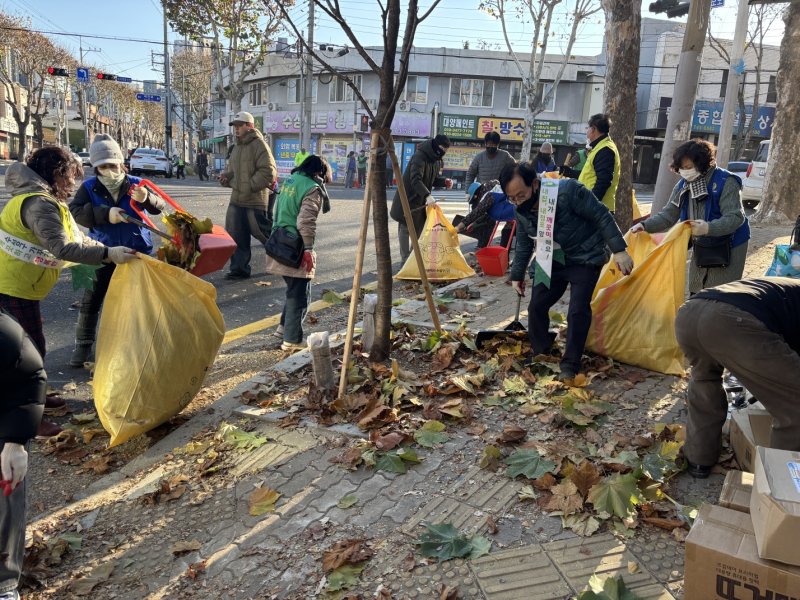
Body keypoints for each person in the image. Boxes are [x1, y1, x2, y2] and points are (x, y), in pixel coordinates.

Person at [0, 147, 137, 437]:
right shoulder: (39, 204)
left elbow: (77, 237)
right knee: (25, 355)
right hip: (11, 287)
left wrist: (102, 249)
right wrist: (108, 253)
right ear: (55, 174)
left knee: (31, 348)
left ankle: (36, 398)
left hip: (22, 286)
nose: (73, 184)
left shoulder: (43, 200)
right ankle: (25, 417)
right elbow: (62, 247)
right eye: (70, 177)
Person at [504, 161, 633, 381]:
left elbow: (601, 215)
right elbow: (525, 243)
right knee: (536, 306)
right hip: (551, 259)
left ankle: (570, 363)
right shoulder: (521, 210)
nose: (517, 202)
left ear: (535, 184)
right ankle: (542, 353)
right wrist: (517, 275)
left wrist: (619, 250)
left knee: (577, 310)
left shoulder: (568, 191)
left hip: (584, 257)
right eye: (512, 198)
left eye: (521, 195)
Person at [675, 278, 800, 478]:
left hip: (689, 314)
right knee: (794, 405)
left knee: (705, 380)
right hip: (732, 322)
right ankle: (781, 492)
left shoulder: (787, 289)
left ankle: (699, 460)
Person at [68, 134, 168, 367]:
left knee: (137, 300)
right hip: (102, 252)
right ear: (96, 167)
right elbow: (75, 211)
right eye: (103, 167)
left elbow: (159, 207)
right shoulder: (89, 187)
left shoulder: (135, 183)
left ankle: (133, 344)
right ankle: (83, 346)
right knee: (92, 299)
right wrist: (105, 214)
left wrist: (147, 199)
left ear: (121, 163)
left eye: (113, 165)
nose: (109, 171)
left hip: (136, 253)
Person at [631, 139, 749, 294]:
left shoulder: (726, 181)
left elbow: (735, 217)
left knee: (720, 293)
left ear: (703, 164)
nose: (685, 171)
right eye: (681, 168)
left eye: (689, 167)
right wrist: (645, 226)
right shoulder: (683, 184)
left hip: (731, 244)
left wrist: (708, 227)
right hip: (702, 242)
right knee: (697, 287)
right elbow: (669, 214)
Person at [0, 309, 46, 600]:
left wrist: (15, 444)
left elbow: (31, 374)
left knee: (5, 504)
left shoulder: (3, 333)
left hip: (5, 424)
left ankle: (4, 585)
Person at [267, 155, 331, 352]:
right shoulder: (312, 188)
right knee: (300, 293)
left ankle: (284, 328)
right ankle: (292, 340)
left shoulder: (290, 181)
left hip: (278, 240)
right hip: (294, 246)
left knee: (294, 288)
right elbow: (305, 221)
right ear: (319, 172)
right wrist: (309, 250)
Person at [219, 111, 277, 280]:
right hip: (236, 199)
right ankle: (239, 269)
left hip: (254, 200)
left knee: (264, 234)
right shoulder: (237, 146)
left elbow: (268, 172)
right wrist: (225, 177)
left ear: (249, 126)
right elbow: (232, 171)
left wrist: (248, 186)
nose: (236, 129)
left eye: (239, 125)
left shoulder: (260, 145)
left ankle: (286, 259)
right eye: (235, 126)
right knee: (235, 235)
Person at [390, 134, 451, 263]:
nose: (444, 152)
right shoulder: (420, 156)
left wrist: (444, 181)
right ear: (435, 145)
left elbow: (431, 179)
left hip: (420, 201)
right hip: (408, 198)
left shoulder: (436, 159)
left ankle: (414, 259)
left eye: (446, 149)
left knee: (420, 231)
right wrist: (427, 195)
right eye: (442, 148)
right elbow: (415, 179)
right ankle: (405, 259)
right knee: (405, 228)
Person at [561, 113, 620, 213]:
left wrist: (590, 204)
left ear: (593, 129)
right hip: (594, 207)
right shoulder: (600, 147)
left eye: (588, 128)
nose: (587, 131)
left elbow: (603, 181)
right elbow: (590, 176)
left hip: (597, 210)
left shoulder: (605, 149)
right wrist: (569, 172)